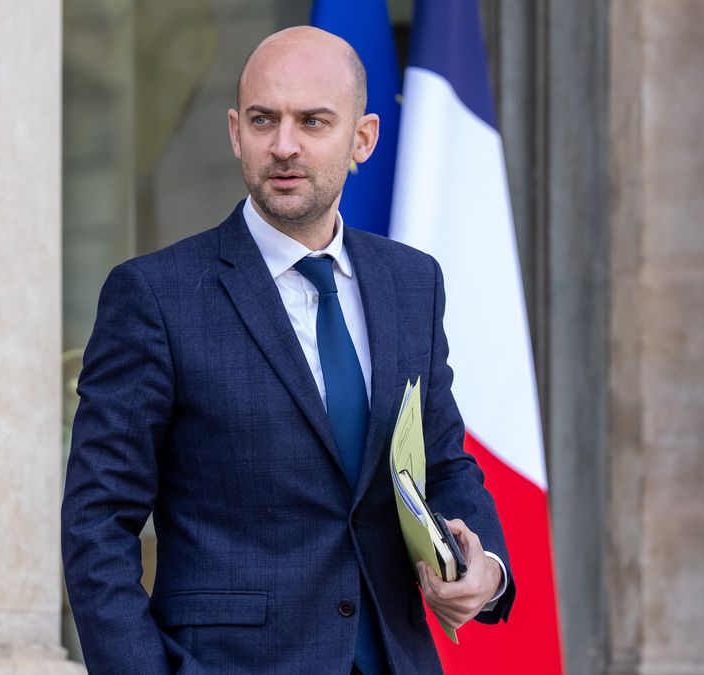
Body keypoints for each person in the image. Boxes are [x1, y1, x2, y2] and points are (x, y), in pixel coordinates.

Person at [62, 26, 515, 674]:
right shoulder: (155, 297)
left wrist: (486, 566)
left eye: (313, 121)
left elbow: (442, 464)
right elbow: (96, 524)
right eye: (262, 119)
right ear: (234, 131)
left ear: (363, 139)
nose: (283, 145)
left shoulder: (412, 283)